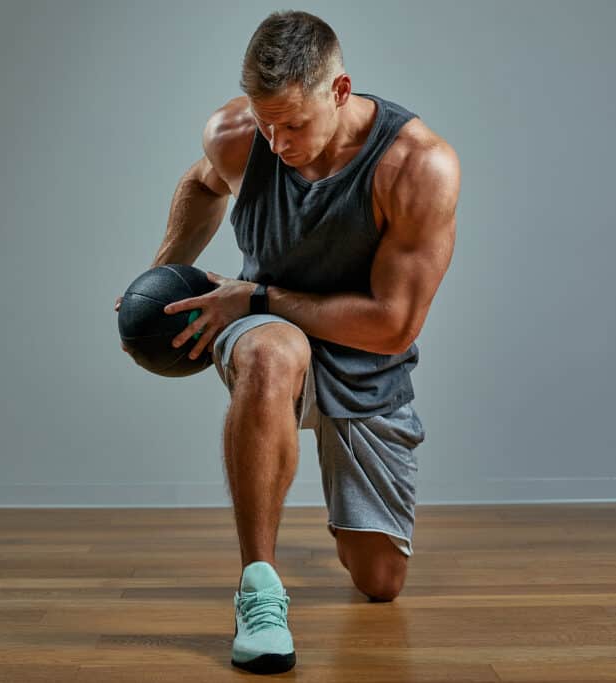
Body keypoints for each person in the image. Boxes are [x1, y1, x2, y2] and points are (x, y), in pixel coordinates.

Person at [114, 10, 459, 675]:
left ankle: (343, 499)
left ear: (339, 90)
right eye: (266, 122)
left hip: (365, 349)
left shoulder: (418, 166)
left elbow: (393, 323)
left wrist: (259, 296)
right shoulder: (239, 136)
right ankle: (259, 588)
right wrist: (157, 278)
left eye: (294, 125)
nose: (277, 142)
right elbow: (201, 184)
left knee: (380, 580)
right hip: (261, 323)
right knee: (275, 352)